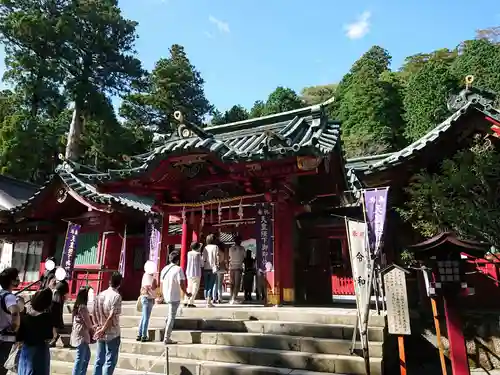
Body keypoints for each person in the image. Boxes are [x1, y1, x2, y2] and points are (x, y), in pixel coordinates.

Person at [17, 288, 54, 375]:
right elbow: (49, 336)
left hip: (26, 350)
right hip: (40, 351)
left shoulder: (25, 317)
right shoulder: (47, 318)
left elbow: (19, 337)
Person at [92, 272, 123, 375]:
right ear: (119, 283)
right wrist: (103, 329)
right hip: (112, 332)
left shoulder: (100, 294)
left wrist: (97, 327)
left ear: (110, 282)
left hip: (100, 329)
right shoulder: (116, 296)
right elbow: (111, 316)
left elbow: (94, 311)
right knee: (110, 361)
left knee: (99, 359)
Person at [160, 251, 190, 344]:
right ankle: (166, 337)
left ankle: (165, 334)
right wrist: (186, 293)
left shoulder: (164, 269)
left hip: (166, 295)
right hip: (174, 295)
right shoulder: (178, 269)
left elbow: (161, 283)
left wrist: (161, 294)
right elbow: (181, 283)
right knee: (171, 317)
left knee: (169, 315)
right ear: (177, 260)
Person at [0, 267, 20, 375]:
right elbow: (14, 312)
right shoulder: (10, 297)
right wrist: (15, 326)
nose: (18, 280)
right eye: (16, 278)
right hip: (6, 339)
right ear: (12, 281)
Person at [71, 287, 94, 375]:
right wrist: (94, 328)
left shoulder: (76, 306)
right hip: (82, 335)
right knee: (80, 358)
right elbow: (88, 323)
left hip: (77, 333)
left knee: (86, 356)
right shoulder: (83, 307)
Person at [137, 266, 157, 341]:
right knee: (146, 318)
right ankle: (144, 335)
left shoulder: (144, 275)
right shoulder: (151, 277)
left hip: (143, 297)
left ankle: (139, 334)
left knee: (143, 317)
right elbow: (153, 287)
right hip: (149, 298)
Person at [49, 280, 69, 347]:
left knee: (54, 322)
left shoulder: (62, 284)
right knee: (52, 322)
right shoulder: (54, 281)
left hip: (56, 305)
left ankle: (54, 337)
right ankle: (54, 338)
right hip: (53, 304)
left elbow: (66, 294)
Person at [202, 234, 219, 307]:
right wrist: (217, 265)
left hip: (206, 267)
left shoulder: (205, 247)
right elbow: (217, 256)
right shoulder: (215, 247)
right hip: (213, 268)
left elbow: (203, 258)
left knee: (206, 285)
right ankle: (209, 302)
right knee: (211, 285)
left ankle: (206, 300)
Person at [184, 242, 202, 308]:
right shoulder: (198, 254)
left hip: (189, 272)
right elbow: (202, 263)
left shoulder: (189, 253)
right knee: (195, 288)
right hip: (196, 273)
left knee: (189, 287)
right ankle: (191, 302)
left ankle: (185, 300)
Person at [228, 236, 245, 304]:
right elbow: (244, 256)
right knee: (237, 284)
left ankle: (231, 297)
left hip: (232, 267)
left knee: (232, 283)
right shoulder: (242, 249)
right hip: (238, 267)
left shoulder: (231, 248)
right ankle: (234, 298)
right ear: (240, 241)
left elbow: (229, 256)